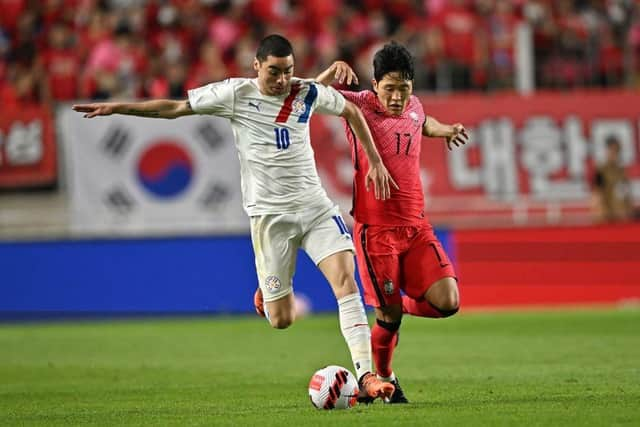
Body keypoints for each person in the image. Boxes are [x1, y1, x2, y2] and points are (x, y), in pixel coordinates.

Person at [73, 34, 396, 402]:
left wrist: (375, 160)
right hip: (270, 218)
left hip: (315, 208)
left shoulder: (304, 92)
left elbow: (350, 111)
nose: (280, 80)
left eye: (287, 72)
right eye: (273, 71)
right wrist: (120, 108)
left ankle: (366, 375)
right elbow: (176, 108)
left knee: (346, 284)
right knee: (282, 319)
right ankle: (267, 289)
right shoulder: (235, 94)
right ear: (256, 66)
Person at [316, 42, 468, 403]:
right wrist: (331, 69)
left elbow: (421, 123)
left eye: (404, 88)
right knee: (388, 318)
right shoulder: (358, 105)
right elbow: (313, 95)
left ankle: (395, 308)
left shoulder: (414, 106)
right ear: (375, 84)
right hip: (377, 232)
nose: (398, 97)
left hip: (416, 227)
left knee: (449, 301)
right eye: (390, 89)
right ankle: (383, 379)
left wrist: (444, 129)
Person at [592, 136, 634, 222]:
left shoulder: (621, 171)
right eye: (612, 150)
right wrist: (601, 214)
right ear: (606, 151)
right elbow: (597, 194)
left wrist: (629, 209)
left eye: (617, 150)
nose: (615, 153)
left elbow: (625, 192)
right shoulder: (602, 171)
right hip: (609, 216)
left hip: (623, 215)